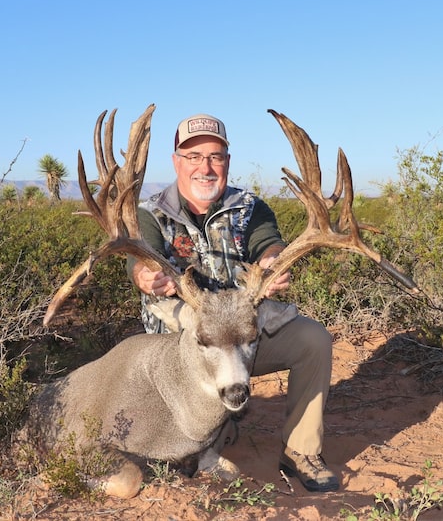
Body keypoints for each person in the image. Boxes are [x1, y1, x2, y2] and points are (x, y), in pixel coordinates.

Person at [126, 113, 339, 493]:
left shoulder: (249, 207)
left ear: (227, 160)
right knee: (180, 447)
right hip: (184, 346)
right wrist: (143, 274)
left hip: (244, 337)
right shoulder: (150, 213)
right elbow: (140, 255)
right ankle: (206, 433)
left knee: (313, 340)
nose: (204, 167)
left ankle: (301, 451)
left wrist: (274, 261)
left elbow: (268, 241)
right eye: (193, 157)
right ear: (177, 161)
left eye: (215, 156)